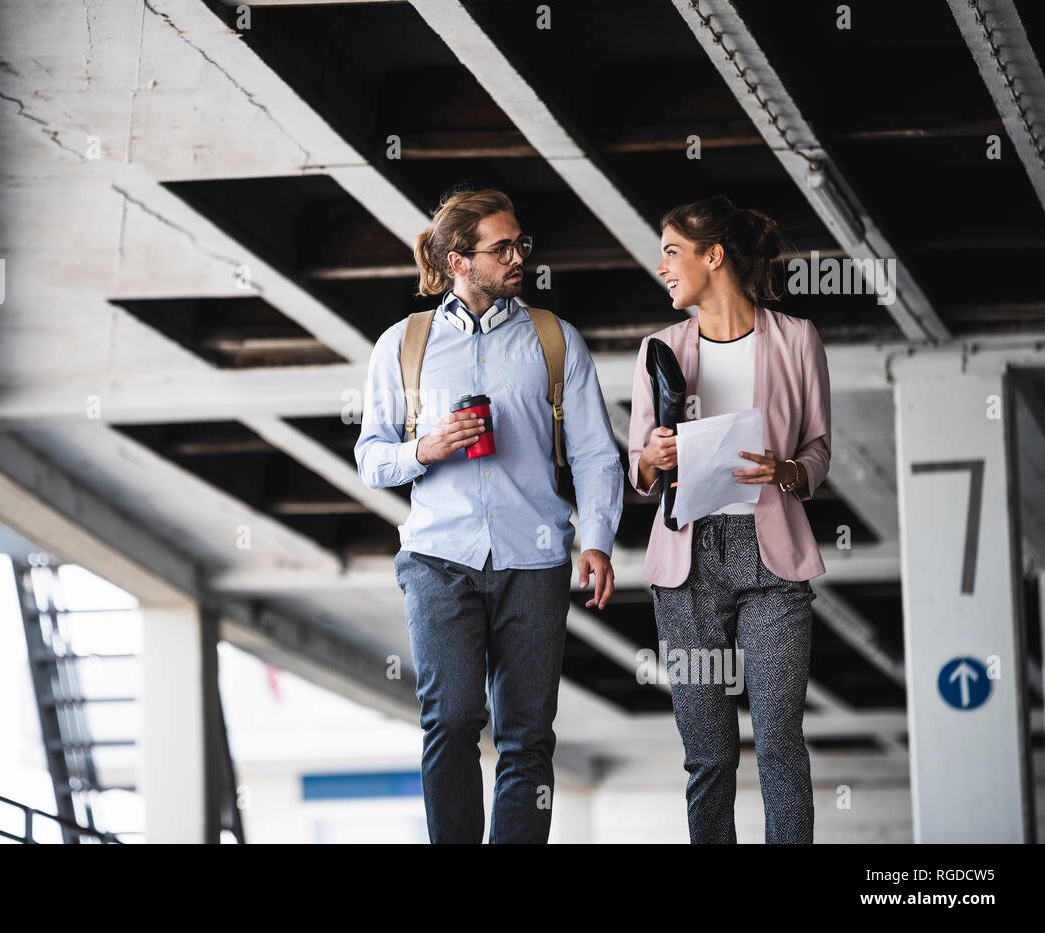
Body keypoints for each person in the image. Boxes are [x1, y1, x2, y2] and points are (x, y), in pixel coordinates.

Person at [354, 186, 622, 843]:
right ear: (457, 261)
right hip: (438, 558)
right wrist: (426, 447)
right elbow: (371, 458)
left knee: (528, 734)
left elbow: (595, 454)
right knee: (450, 717)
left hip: (535, 561)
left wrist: (598, 539)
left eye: (520, 244)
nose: (518, 256)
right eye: (502, 247)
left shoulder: (554, 340)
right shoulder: (402, 345)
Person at [627, 195, 831, 843]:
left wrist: (786, 471)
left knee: (778, 739)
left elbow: (819, 448)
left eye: (670, 251)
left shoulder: (797, 339)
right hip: (686, 563)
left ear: (712, 256)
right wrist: (654, 455)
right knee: (709, 753)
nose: (661, 265)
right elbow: (639, 466)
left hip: (771, 559)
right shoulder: (658, 348)